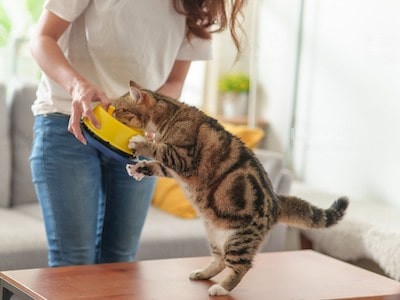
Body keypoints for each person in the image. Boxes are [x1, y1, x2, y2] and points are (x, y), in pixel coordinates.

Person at [29, 0, 245, 267]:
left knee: (121, 263)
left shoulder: (197, 5)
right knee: (73, 263)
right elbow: (42, 38)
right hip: (69, 123)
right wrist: (76, 85)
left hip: (137, 140)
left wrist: (152, 116)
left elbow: (175, 81)